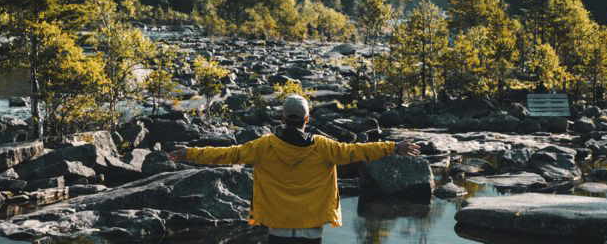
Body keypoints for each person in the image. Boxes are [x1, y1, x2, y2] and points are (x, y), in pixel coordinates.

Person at [168, 94, 419, 244]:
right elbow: (359, 150)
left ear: (282, 118)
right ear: (307, 120)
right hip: (312, 223)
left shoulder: (264, 146)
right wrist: (394, 147)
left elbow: (227, 154)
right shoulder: (324, 147)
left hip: (277, 222)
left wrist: (190, 153)